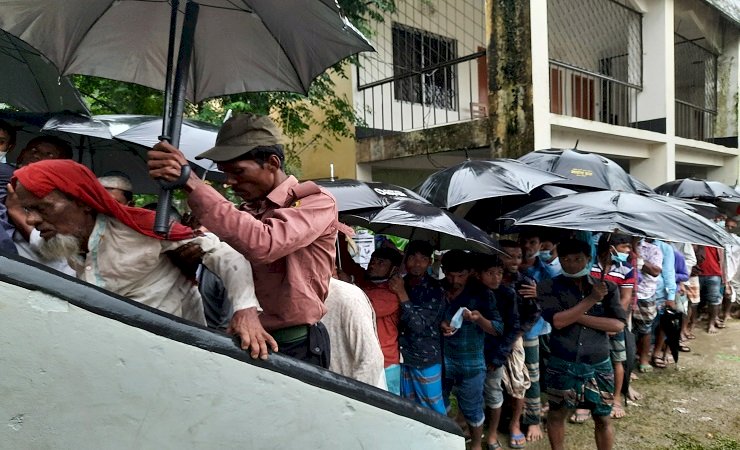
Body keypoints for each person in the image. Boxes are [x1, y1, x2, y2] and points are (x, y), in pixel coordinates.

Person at [149, 113, 339, 367]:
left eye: (238, 172)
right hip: (245, 338)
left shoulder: (315, 202)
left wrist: (192, 184)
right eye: (225, 173)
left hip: (294, 346)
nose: (229, 183)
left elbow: (264, 243)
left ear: (272, 163)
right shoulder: (247, 212)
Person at [12, 159, 262, 332]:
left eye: (42, 208)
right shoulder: (69, 243)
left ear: (83, 203)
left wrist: (245, 311)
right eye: (27, 209)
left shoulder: (140, 228)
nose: (32, 220)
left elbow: (224, 253)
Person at [539, 239, 627, 450]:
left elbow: (617, 325)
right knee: (557, 412)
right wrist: (590, 300)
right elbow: (558, 321)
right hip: (562, 361)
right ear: (559, 260)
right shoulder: (547, 287)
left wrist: (575, 315)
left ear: (588, 259)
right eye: (566, 260)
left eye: (577, 259)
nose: (571, 264)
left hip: (598, 361)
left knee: (603, 417)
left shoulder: (608, 287)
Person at [440, 249, 503, 450]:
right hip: (441, 361)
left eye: (461, 275)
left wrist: (479, 319)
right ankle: (447, 435)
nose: (455, 280)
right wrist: (441, 323)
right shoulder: (438, 289)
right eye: (450, 274)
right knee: (439, 403)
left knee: (472, 408)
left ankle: (476, 444)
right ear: (443, 271)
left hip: (471, 362)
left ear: (470, 273)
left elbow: (498, 329)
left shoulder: (482, 294)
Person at [389, 240, 447, 413]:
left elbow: (418, 325)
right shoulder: (400, 282)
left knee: (433, 408)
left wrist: (401, 293)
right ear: (405, 260)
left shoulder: (436, 289)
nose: (416, 263)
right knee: (409, 406)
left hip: (425, 358)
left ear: (429, 263)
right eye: (412, 257)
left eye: (422, 258)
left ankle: (444, 438)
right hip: (404, 357)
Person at [477, 253, 527, 450]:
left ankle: (492, 434)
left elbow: (513, 327)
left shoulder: (507, 293)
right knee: (472, 391)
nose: (495, 278)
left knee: (497, 391)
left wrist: (499, 356)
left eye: (499, 273)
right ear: (479, 274)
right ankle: (473, 426)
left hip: (498, 351)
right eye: (490, 273)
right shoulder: (474, 292)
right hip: (475, 349)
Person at [498, 239, 543, 446]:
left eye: (518, 256)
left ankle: (523, 422)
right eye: (508, 255)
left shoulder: (525, 281)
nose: (515, 260)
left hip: (521, 337)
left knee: (524, 379)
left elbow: (534, 312)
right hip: (493, 335)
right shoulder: (491, 279)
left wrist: (517, 334)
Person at [588, 234, 634, 420]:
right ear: (611, 248)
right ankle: (587, 399)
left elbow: (625, 298)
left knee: (617, 360)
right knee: (589, 361)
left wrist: (614, 322)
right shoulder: (590, 266)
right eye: (625, 247)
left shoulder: (626, 269)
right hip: (591, 322)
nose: (628, 251)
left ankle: (615, 399)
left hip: (614, 323)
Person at [348, 247, 404, 394]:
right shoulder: (366, 283)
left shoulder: (391, 293)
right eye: (372, 260)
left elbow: (362, 308)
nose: (373, 265)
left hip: (385, 362)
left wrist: (349, 285)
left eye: (381, 263)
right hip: (364, 357)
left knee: (389, 406)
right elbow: (347, 263)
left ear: (393, 270)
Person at [323, 276, 386, 389]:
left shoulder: (348, 296)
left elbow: (372, 361)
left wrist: (349, 401)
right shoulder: (294, 294)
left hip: (348, 393)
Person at [633, 239, 663, 372]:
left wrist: (637, 258)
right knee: (627, 329)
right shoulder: (620, 245)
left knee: (645, 328)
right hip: (625, 291)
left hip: (645, 293)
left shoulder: (653, 249)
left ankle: (644, 358)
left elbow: (656, 271)